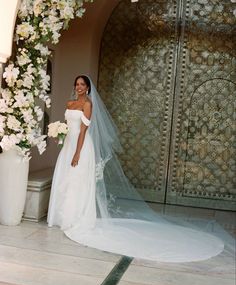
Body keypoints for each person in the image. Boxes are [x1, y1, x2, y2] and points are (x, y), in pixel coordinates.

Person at [47, 75, 228, 263]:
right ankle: (61, 216)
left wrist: (77, 153)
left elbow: (83, 131)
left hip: (81, 147)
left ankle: (75, 218)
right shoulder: (70, 103)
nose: (79, 87)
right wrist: (62, 137)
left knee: (78, 181)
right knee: (66, 179)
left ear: (88, 87)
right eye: (76, 84)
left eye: (82, 84)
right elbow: (69, 127)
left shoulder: (88, 105)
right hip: (69, 144)